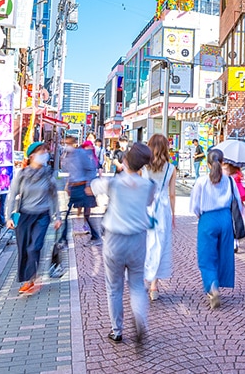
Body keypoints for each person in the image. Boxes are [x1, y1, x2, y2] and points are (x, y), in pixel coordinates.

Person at [90, 142, 156, 344]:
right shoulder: (149, 185)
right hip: (138, 239)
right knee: (136, 285)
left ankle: (117, 330)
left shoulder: (114, 183)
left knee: (114, 287)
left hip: (114, 240)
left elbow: (94, 187)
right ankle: (139, 317)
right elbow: (148, 203)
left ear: (125, 161)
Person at [189, 148, 244, 309]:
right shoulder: (230, 181)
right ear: (222, 162)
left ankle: (212, 285)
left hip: (207, 219)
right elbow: (238, 203)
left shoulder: (201, 181)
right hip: (225, 219)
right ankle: (219, 281)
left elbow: (194, 206)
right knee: (223, 255)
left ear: (207, 163)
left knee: (206, 257)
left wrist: (200, 216)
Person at [6, 142, 61, 295]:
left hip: (42, 215)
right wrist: (9, 216)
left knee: (34, 247)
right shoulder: (22, 174)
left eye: (45, 151)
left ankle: (31, 278)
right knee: (24, 248)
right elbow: (12, 196)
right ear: (31, 156)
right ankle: (29, 279)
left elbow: (54, 196)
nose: (44, 154)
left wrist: (58, 216)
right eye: (41, 152)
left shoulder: (48, 174)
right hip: (24, 215)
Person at [144, 134, 176, 301]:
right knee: (159, 244)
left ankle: (144, 278)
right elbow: (172, 194)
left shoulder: (144, 167)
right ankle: (154, 285)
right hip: (162, 208)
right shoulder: (171, 168)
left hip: (145, 207)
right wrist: (173, 213)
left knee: (145, 243)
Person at [60, 138, 101, 247]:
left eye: (69, 143)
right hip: (74, 187)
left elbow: (91, 168)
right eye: (66, 143)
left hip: (82, 186)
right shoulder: (66, 155)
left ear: (73, 143)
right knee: (67, 213)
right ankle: (63, 238)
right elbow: (68, 172)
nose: (67, 145)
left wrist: (88, 186)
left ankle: (96, 236)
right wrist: (68, 185)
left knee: (85, 214)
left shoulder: (80, 153)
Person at [225, 162, 245, 253]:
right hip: (236, 200)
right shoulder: (238, 173)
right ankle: (235, 241)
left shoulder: (228, 176)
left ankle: (233, 241)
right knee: (236, 221)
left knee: (231, 222)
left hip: (231, 200)